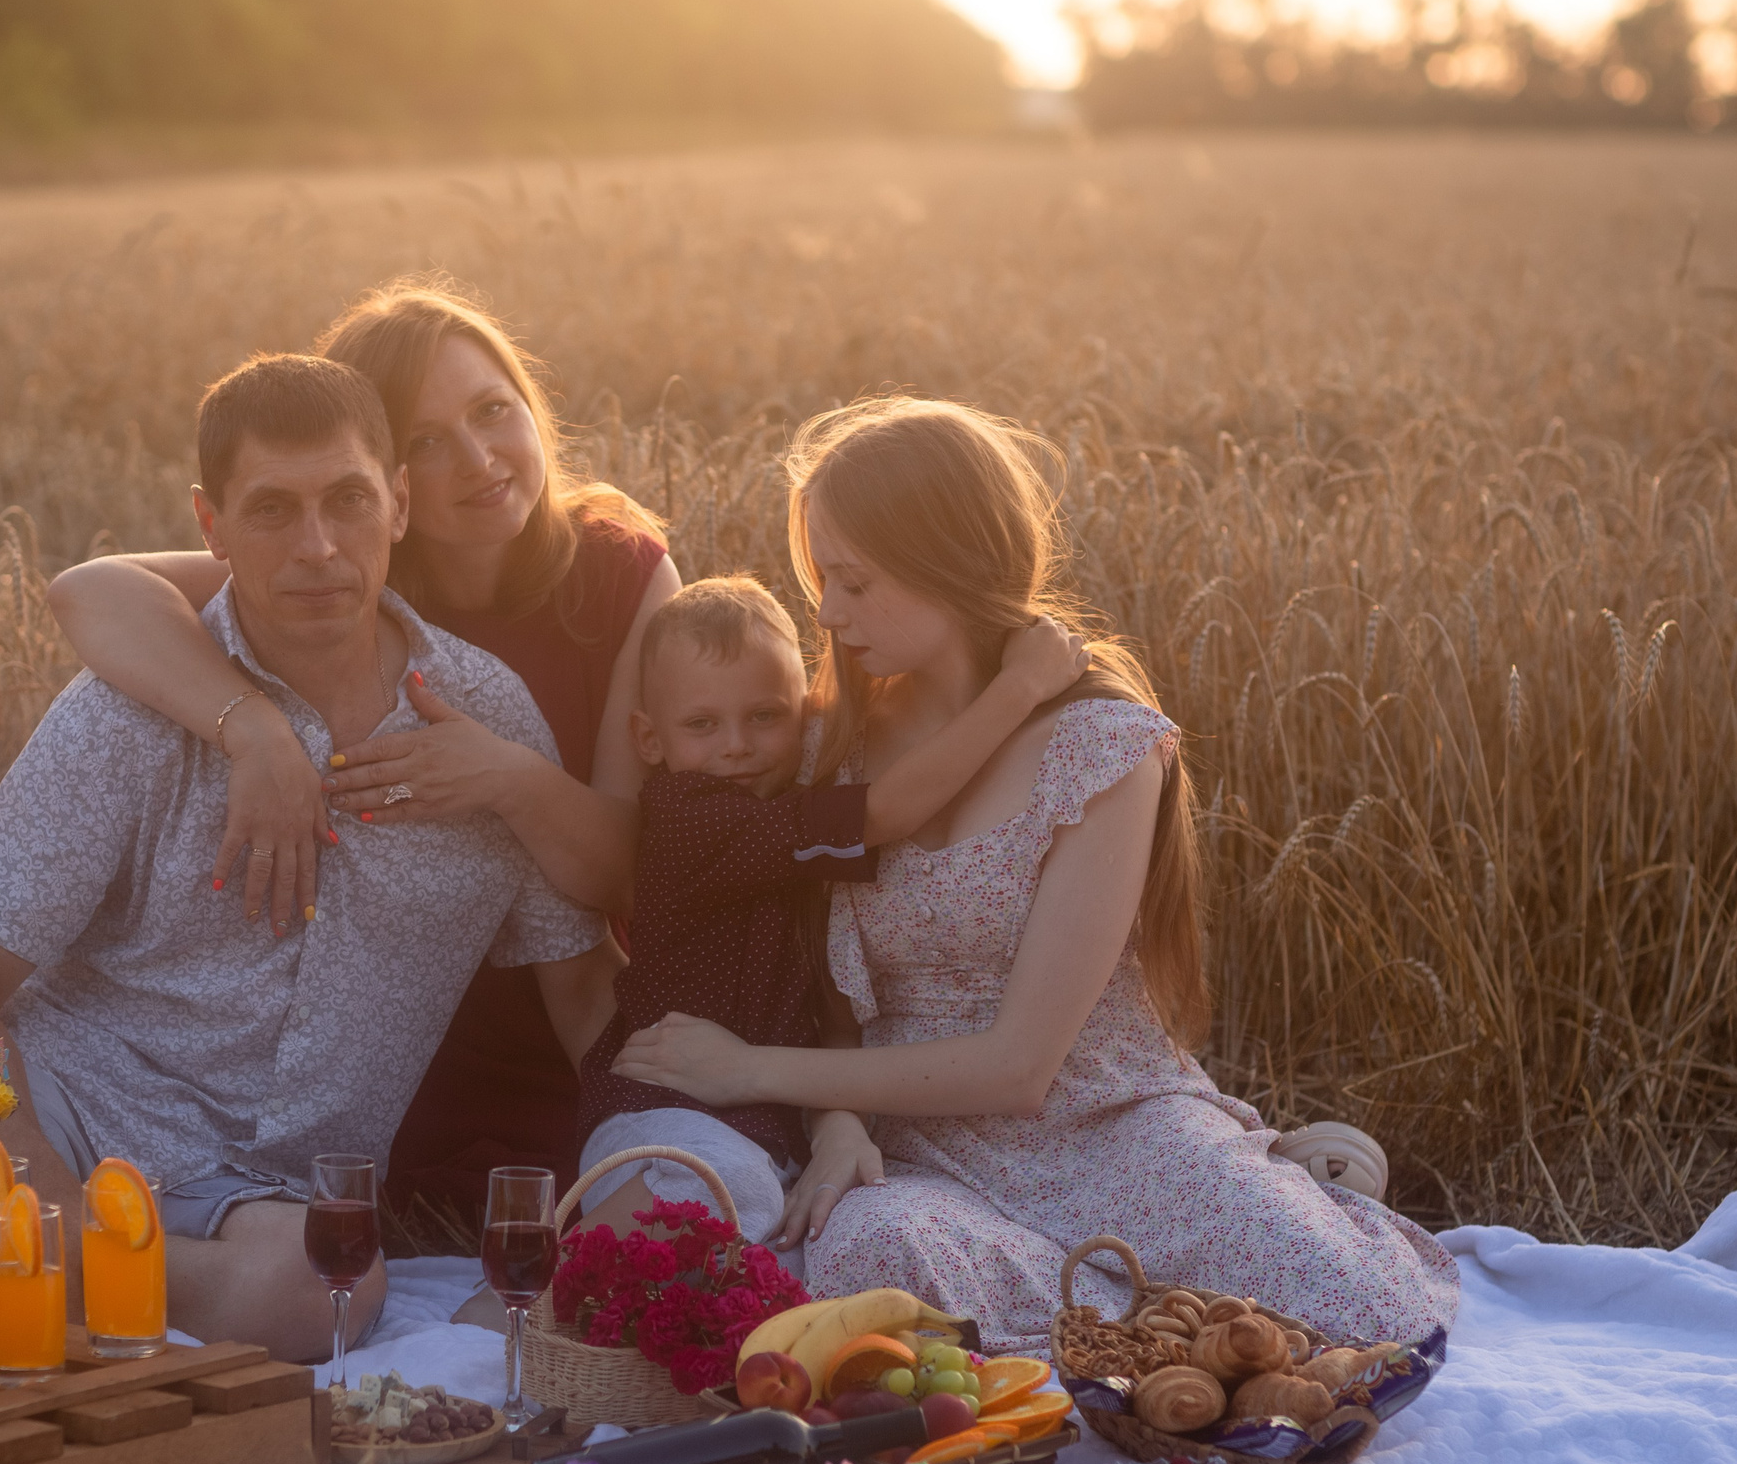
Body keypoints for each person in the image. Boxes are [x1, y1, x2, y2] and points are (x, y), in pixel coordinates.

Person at [611, 397, 1460, 1350]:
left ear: (949, 567)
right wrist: (837, 1120)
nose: (825, 611)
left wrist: (750, 1070)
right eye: (822, 578)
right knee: (871, 1253)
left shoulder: (1099, 748)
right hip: (919, 1145)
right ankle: (1154, 1320)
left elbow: (1023, 1067)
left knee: (1365, 1318)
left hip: (1100, 1121)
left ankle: (1251, 1205)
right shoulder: (820, 747)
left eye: (852, 580)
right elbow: (813, 978)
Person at [0, 353, 617, 1361]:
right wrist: (49, 1206)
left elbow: (580, 988)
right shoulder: (125, 713)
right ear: (209, 525)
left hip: (262, 1204)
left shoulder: (486, 721)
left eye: (348, 500)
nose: (317, 546)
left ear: (398, 505)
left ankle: (8, 1283)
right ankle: (3, 1267)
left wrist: (653, 1179)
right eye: (272, 510)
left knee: (324, 1287)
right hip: (67, 1125)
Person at [47, 280, 673, 1216]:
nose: (478, 458)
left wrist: (508, 777)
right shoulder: (341, 561)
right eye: (425, 438)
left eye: (494, 410)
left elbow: (637, 876)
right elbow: (89, 591)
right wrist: (252, 726)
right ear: (395, 479)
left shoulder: (619, 572)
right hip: (382, 1030)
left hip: (563, 987)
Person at [567, 575, 1087, 1250]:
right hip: (662, 1114)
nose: (736, 745)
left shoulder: (785, 808)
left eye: (765, 715)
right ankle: (541, 1284)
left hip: (763, 1128)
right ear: (650, 739)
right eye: (702, 724)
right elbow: (888, 810)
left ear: (805, 711)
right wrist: (1018, 688)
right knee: (727, 1188)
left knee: (796, 1241)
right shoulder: (691, 819)